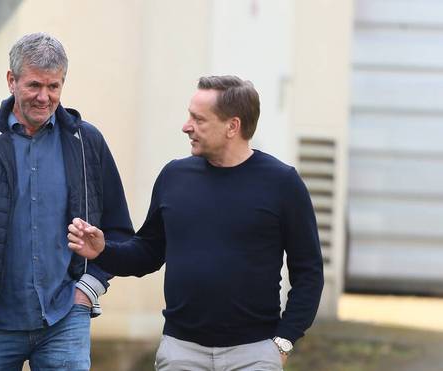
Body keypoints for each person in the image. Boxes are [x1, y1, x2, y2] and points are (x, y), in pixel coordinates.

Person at [68, 75, 324, 371]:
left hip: (253, 354)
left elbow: (309, 272)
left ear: (232, 126)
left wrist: (284, 341)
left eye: (198, 119)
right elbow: (148, 254)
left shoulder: (282, 183)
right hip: (181, 352)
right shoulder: (174, 177)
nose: (186, 126)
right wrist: (104, 251)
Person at [0, 32, 133, 371]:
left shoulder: (86, 142)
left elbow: (118, 228)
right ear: (11, 81)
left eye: (54, 87)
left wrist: (89, 289)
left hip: (65, 316)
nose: (44, 97)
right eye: (34, 86)